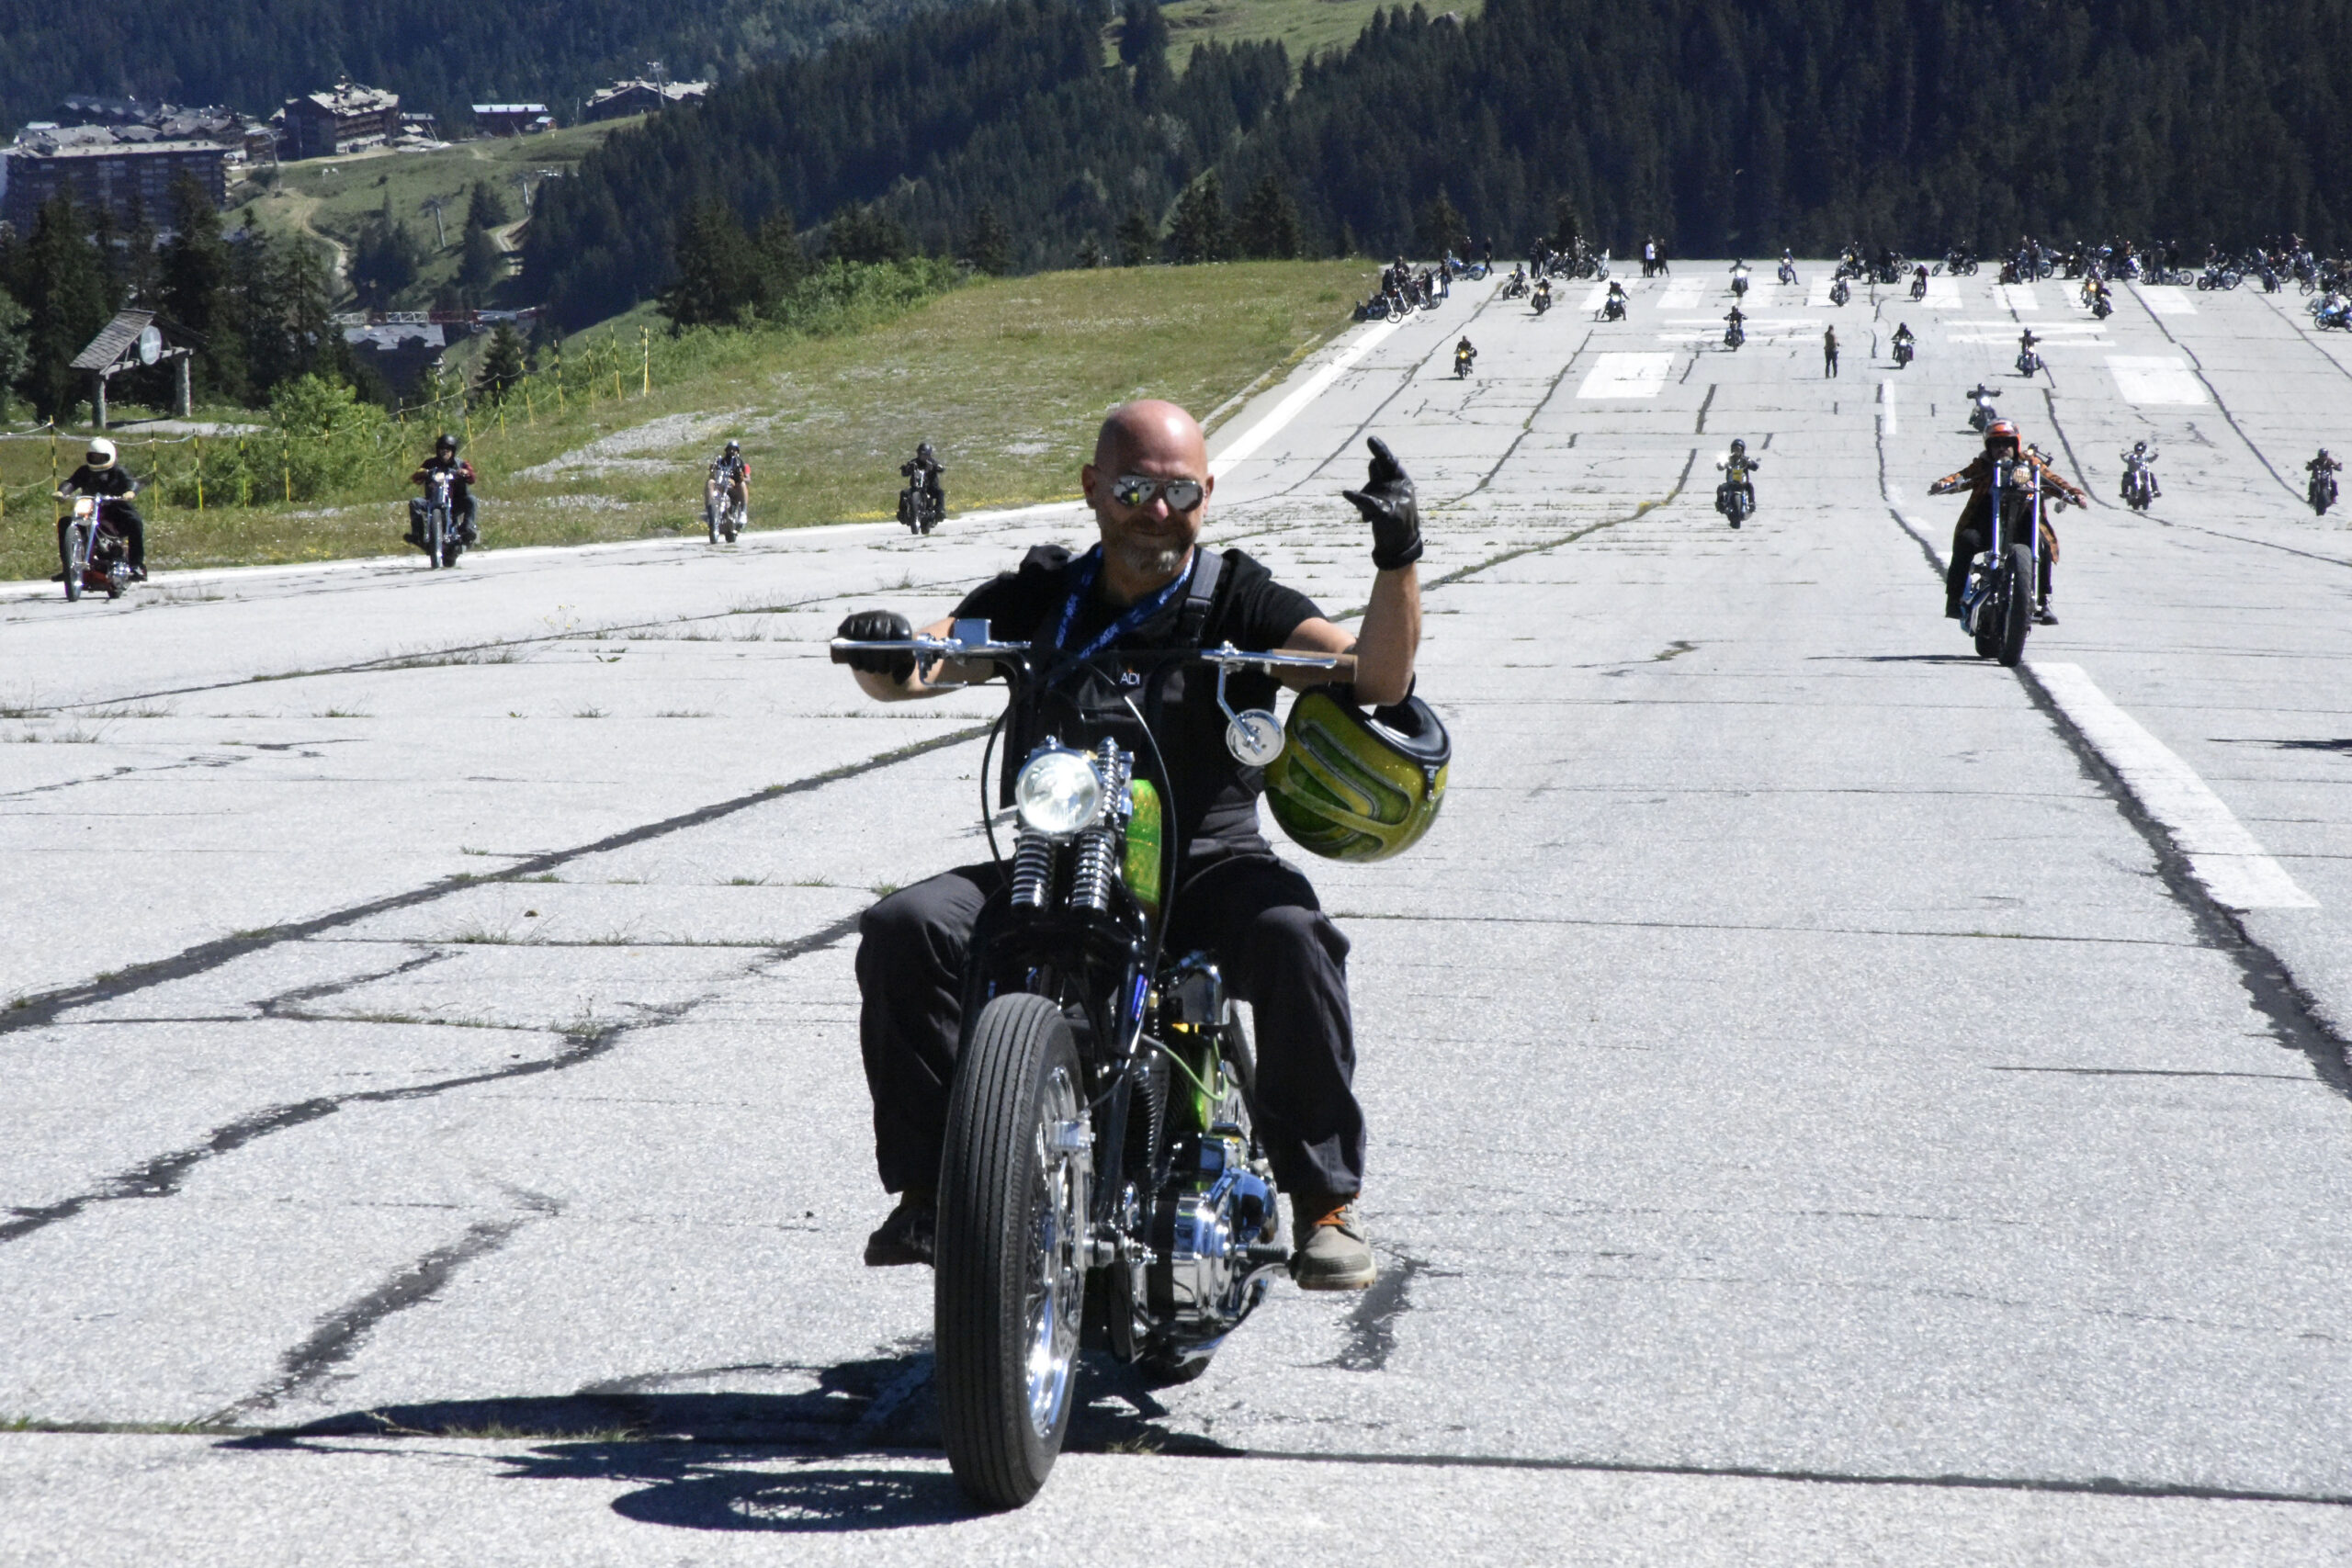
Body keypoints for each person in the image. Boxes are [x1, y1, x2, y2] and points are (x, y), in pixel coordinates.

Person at [836, 400, 1423, 1292]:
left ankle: (1324, 1203)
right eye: (1135, 489)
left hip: (1206, 868)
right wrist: (884, 648)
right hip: (1057, 863)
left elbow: (1374, 675)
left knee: (1295, 939)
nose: (1156, 510)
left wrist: (1397, 556)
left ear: (1206, 494)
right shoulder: (1043, 596)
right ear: (1093, 488)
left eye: (1179, 492)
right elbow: (926, 665)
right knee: (906, 927)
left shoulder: (1239, 598)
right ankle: (931, 1195)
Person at [1930, 420, 2086, 625]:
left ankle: (2043, 601)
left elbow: (2052, 480)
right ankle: (1954, 599)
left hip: (2022, 524)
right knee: (1965, 540)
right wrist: (1944, 484)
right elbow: (1963, 477)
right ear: (1989, 447)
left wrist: (2074, 494)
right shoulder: (1983, 465)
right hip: (1986, 524)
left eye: (2007, 444)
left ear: (2016, 445)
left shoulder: (2030, 464)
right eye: (1996, 444)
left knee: (2043, 546)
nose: (2002, 448)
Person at [56, 436, 145, 581]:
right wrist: (62, 492)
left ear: (110, 456)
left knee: (135, 521)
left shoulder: (118, 471)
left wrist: (130, 492)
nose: (97, 460)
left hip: (116, 510)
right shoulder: (84, 471)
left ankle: (136, 565)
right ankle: (69, 567)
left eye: (101, 457)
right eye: (94, 457)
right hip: (91, 508)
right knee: (65, 523)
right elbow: (72, 482)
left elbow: (132, 483)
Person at [406, 434, 479, 547]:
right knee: (415, 503)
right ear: (437, 450)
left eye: (448, 449)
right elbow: (416, 477)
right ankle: (417, 534)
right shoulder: (430, 463)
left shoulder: (461, 463)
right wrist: (422, 473)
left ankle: (467, 530)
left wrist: (465, 473)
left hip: (455, 502)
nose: (444, 451)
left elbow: (472, 478)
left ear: (453, 450)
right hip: (433, 501)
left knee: (471, 500)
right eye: (441, 448)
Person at [900, 441, 945, 518]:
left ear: (929, 455)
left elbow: (941, 468)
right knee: (904, 493)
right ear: (918, 454)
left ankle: (940, 510)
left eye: (926, 455)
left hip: (930, 488)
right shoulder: (914, 463)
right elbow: (905, 473)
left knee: (940, 492)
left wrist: (937, 467)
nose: (923, 457)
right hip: (916, 487)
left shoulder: (932, 462)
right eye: (922, 455)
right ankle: (902, 513)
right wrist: (905, 469)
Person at [1716, 437, 1760, 513]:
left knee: (1750, 486)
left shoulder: (1746, 459)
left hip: (1743, 483)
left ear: (1742, 450)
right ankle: (1721, 503)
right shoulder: (1728, 459)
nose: (1736, 451)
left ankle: (1751, 502)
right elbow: (1721, 465)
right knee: (1720, 488)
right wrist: (1720, 465)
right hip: (1730, 483)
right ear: (1732, 450)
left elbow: (1755, 466)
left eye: (1738, 449)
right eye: (1735, 449)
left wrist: (1752, 464)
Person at [712, 437, 750, 515]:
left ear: (737, 452)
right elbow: (714, 476)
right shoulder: (720, 463)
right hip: (722, 487)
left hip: (735, 489)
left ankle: (743, 512)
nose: (732, 451)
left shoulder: (743, 465)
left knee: (743, 485)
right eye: (730, 449)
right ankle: (711, 511)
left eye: (734, 450)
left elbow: (748, 479)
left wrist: (741, 478)